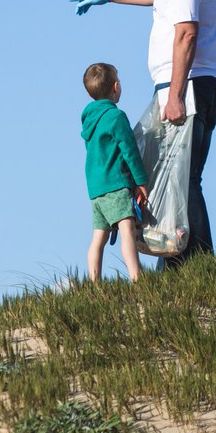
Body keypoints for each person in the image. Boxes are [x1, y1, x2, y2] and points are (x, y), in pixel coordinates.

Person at [70, 0, 216, 265]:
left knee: (181, 176)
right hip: (211, 79)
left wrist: (175, 94)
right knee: (181, 174)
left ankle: (195, 263)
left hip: (186, 85)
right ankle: (180, 263)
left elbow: (186, 31)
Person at [81, 62, 148, 283]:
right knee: (127, 228)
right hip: (115, 183)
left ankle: (94, 284)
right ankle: (137, 277)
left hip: (96, 188)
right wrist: (140, 180)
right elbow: (129, 151)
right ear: (116, 87)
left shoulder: (89, 121)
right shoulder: (116, 117)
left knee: (98, 238)